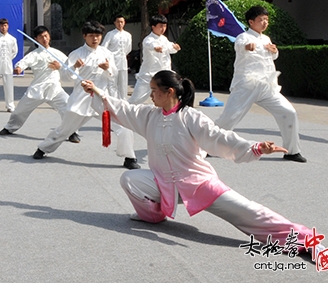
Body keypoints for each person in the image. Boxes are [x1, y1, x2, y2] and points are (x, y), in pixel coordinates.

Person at [81, 71, 314, 250]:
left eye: (154, 90)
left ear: (170, 92)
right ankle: (152, 215)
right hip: (163, 183)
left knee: (248, 212)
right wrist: (97, 92)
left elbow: (221, 138)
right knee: (130, 179)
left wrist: (256, 147)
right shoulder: (149, 115)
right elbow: (122, 108)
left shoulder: (192, 117)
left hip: (198, 184)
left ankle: (302, 239)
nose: (150, 95)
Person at [33, 21, 139, 169]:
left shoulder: (107, 54)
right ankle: (43, 148)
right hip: (81, 99)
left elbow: (114, 74)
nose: (95, 39)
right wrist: (75, 67)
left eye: (98, 36)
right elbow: (65, 76)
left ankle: (129, 157)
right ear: (84, 36)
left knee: (123, 126)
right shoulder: (76, 54)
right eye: (91, 36)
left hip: (102, 98)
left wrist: (108, 69)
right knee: (65, 129)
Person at [214, 5, 306, 163]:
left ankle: (292, 151)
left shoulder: (266, 38)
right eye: (261, 20)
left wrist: (274, 50)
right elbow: (240, 46)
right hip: (247, 85)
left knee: (289, 112)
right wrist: (247, 47)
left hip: (267, 85)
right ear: (251, 22)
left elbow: (273, 57)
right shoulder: (243, 37)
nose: (264, 23)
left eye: (266, 20)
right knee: (229, 118)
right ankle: (206, 145)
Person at [0, 25, 68, 135]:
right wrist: (19, 68)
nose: (44, 39)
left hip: (54, 89)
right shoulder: (34, 54)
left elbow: (69, 67)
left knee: (68, 108)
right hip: (37, 89)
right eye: (41, 37)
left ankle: (72, 132)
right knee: (19, 112)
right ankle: (9, 127)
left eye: (46, 35)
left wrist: (60, 66)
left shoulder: (57, 54)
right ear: (36, 39)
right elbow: (24, 62)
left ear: (49, 36)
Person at [129, 14, 180, 104]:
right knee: (136, 99)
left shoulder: (164, 39)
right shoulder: (148, 39)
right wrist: (155, 48)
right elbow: (150, 45)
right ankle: (123, 113)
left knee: (168, 95)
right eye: (161, 26)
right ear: (153, 27)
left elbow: (170, 48)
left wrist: (175, 47)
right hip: (148, 75)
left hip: (163, 74)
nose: (163, 28)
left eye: (165, 26)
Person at [101, 15, 132, 99]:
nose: (120, 24)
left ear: (124, 23)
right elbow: (104, 47)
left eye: (122, 22)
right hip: (112, 62)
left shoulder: (128, 35)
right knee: (112, 83)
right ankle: (113, 101)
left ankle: (123, 102)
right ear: (115, 23)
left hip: (123, 62)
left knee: (123, 83)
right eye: (118, 22)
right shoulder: (110, 34)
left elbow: (128, 48)